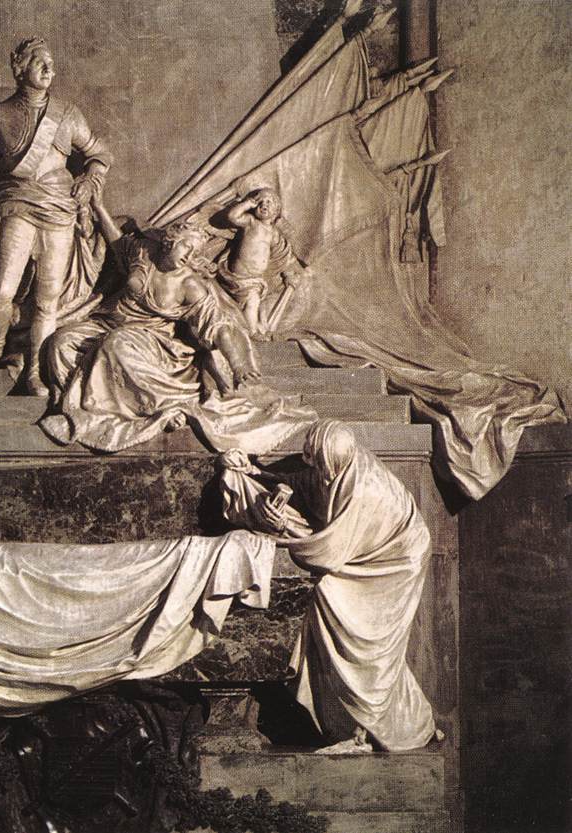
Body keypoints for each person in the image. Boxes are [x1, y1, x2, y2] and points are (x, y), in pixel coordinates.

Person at [220, 421, 439, 753]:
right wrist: (255, 472)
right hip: (366, 553)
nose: (320, 474)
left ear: (335, 460)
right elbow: (306, 481)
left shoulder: (364, 489)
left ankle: (365, 727)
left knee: (359, 631)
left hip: (395, 563)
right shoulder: (340, 464)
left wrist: (282, 528)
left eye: (322, 465)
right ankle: (375, 723)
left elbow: (327, 553)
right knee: (358, 636)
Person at [40, 208, 315, 454]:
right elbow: (117, 242)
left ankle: (148, 408)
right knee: (61, 342)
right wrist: (98, 205)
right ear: (170, 241)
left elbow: (218, 327)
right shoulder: (143, 252)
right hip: (106, 323)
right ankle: (76, 402)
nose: (190, 256)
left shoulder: (190, 286)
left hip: (151, 339)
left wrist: (239, 364)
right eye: (187, 247)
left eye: (195, 253)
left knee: (116, 344)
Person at [0, 37, 112, 395]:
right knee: (2, 292)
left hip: (59, 211)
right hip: (16, 206)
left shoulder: (67, 113)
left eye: (51, 63)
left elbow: (100, 155)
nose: (49, 69)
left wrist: (89, 179)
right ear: (20, 67)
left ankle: (35, 368)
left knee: (48, 298)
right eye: (39, 62)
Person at [220, 188, 307, 338]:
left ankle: (252, 327)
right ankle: (252, 333)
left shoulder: (274, 234)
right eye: (260, 201)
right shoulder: (251, 222)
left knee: (255, 303)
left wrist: (288, 273)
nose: (263, 204)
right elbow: (232, 216)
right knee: (252, 301)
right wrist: (247, 204)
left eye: (269, 202)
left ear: (276, 210)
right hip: (240, 276)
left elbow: (281, 255)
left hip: (256, 280)